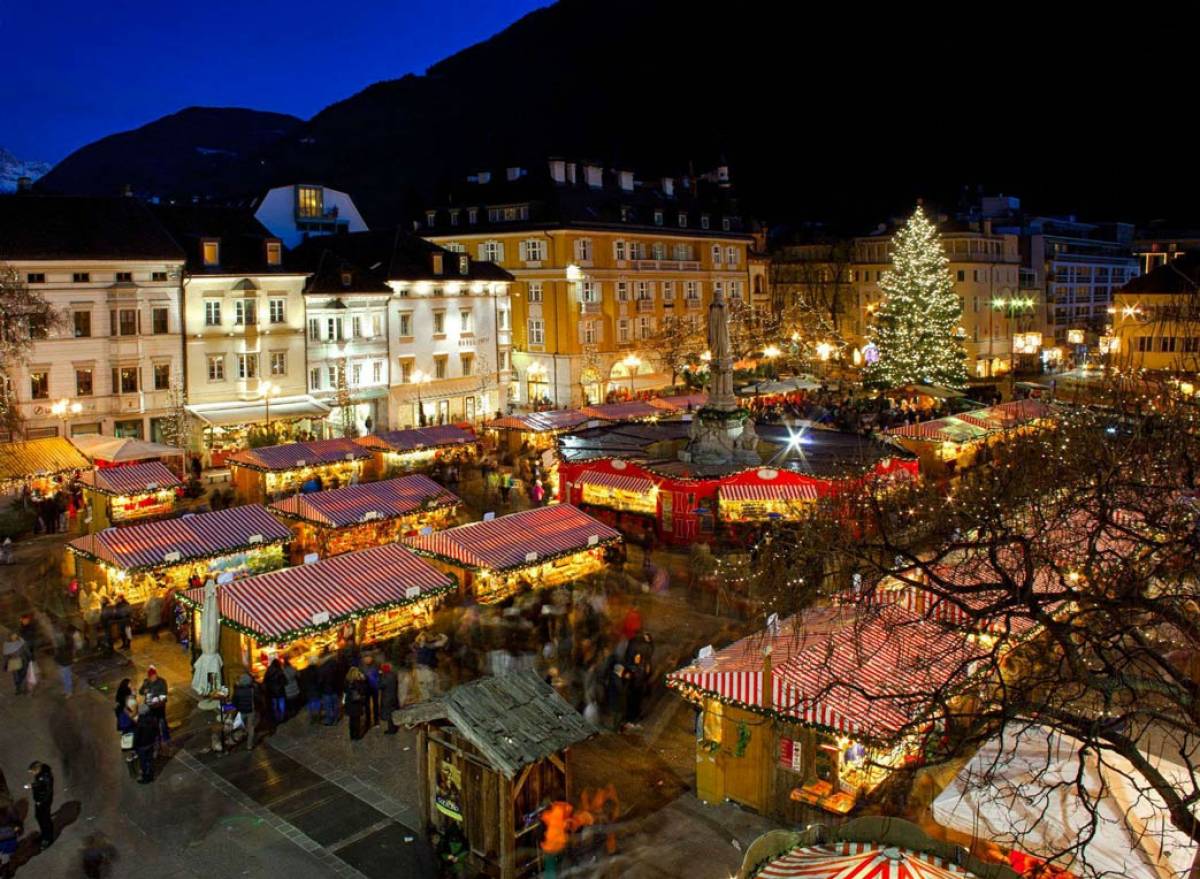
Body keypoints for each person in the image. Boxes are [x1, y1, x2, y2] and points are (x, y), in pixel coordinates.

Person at [138, 666, 170, 746]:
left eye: (154, 676)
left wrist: (156, 699)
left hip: (159, 706)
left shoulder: (161, 682)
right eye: (151, 677)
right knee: (152, 723)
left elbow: (164, 694)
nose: (153, 678)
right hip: (150, 707)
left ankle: (166, 737)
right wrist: (143, 691)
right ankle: (156, 737)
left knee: (162, 721)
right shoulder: (146, 682)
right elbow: (140, 691)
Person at [28, 761, 53, 849]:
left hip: (44, 803)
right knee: (39, 817)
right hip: (39, 801)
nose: (32, 773)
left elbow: (48, 792)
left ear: (37, 770)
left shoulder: (46, 777)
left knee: (45, 820)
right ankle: (43, 834)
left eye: (33, 771)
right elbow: (40, 784)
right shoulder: (40, 775)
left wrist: (41, 802)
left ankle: (47, 839)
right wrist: (33, 785)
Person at [132, 705, 158, 783]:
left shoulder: (140, 723)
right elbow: (156, 731)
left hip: (142, 746)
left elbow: (136, 737)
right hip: (150, 744)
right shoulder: (153, 719)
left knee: (143, 762)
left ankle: (146, 778)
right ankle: (151, 775)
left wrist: (134, 747)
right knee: (150, 760)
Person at [233, 673, 258, 749]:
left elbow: (234, 703)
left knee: (239, 725)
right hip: (251, 711)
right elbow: (257, 699)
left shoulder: (238, 691)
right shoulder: (253, 690)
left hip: (241, 711)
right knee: (251, 727)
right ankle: (249, 745)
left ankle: (236, 739)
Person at [343, 667, 366, 741]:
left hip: (349, 704)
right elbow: (362, 691)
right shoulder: (358, 683)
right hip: (356, 704)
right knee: (357, 721)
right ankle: (356, 736)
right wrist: (363, 680)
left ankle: (352, 735)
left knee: (351, 720)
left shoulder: (346, 682)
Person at [52, 625, 75, 697]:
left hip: (65, 660)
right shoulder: (65, 638)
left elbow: (62, 649)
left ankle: (69, 691)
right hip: (62, 660)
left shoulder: (66, 639)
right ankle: (66, 689)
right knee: (64, 675)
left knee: (66, 676)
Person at [317, 651, 339, 725]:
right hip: (335, 688)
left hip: (326, 689)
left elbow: (320, 680)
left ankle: (330, 719)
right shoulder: (335, 664)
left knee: (328, 706)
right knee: (335, 704)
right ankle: (336, 718)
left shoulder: (323, 668)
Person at [379, 662, 400, 734]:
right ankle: (394, 727)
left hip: (387, 698)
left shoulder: (385, 677)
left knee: (389, 715)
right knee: (393, 713)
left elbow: (380, 686)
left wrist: (380, 676)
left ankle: (391, 730)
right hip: (394, 697)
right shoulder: (394, 675)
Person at [300, 655, 321, 723]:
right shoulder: (317, 670)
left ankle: (312, 716)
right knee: (317, 702)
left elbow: (302, 681)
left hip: (308, 690)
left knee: (310, 703)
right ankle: (317, 716)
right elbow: (319, 680)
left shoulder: (304, 671)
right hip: (315, 689)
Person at [264, 657, 286, 722]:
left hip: (272, 691)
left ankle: (276, 717)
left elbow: (265, 681)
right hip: (280, 691)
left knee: (275, 705)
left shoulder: (268, 671)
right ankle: (281, 717)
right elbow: (284, 681)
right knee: (281, 704)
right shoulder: (280, 671)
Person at [361, 655, 380, 729]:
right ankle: (368, 722)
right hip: (366, 689)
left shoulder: (376, 665)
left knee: (375, 705)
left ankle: (376, 721)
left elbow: (379, 675)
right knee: (367, 706)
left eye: (369, 658)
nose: (368, 660)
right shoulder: (361, 667)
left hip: (374, 688)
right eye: (366, 658)